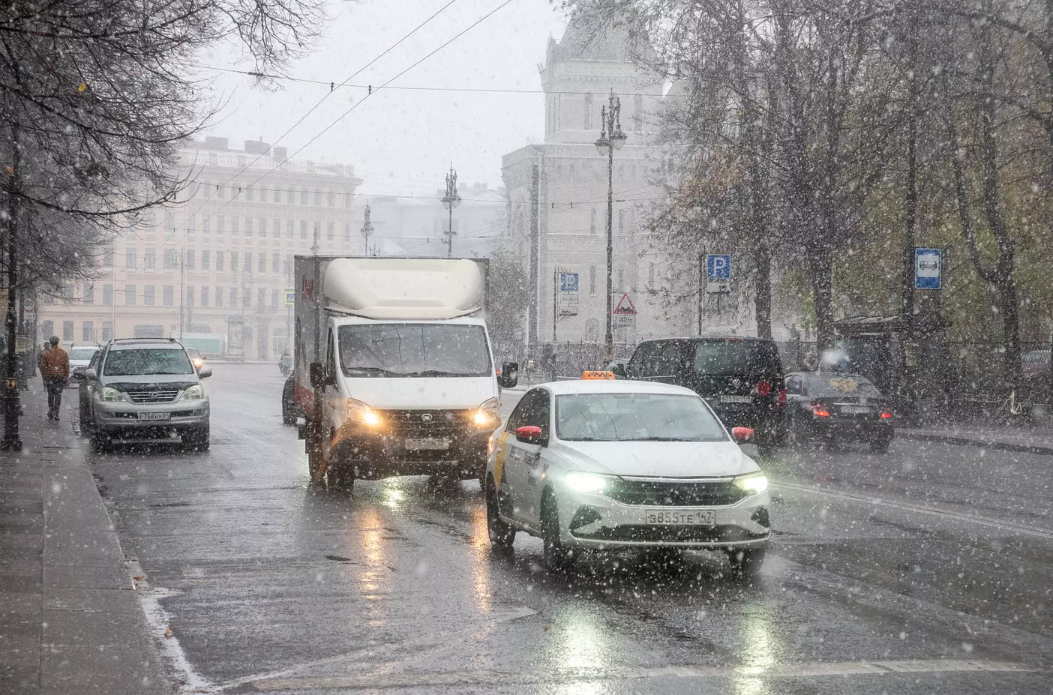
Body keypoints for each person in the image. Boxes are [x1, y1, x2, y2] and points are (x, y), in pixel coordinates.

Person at [40, 336, 69, 421]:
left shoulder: (46, 353)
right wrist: (66, 376)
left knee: (50, 395)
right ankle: (56, 412)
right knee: (58, 395)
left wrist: (44, 377)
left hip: (50, 377)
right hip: (60, 377)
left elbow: (43, 367)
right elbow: (66, 366)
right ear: (58, 342)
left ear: (50, 343)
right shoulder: (63, 353)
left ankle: (51, 410)